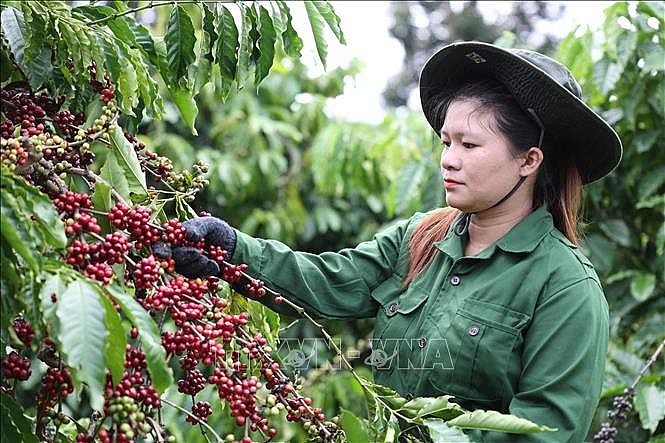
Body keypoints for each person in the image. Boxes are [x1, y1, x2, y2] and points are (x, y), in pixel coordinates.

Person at [156, 41, 622, 442]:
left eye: (470, 146)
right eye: (446, 143)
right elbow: (329, 282)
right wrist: (232, 248)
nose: (449, 161)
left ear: (529, 161)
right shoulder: (420, 237)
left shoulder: (565, 287)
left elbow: (547, 431)